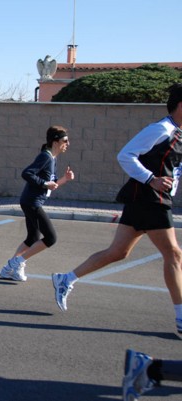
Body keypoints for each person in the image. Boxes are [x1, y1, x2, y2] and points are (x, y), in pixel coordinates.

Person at [52, 84, 182, 336]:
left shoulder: (178, 132)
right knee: (174, 255)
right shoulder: (160, 129)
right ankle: (180, 318)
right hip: (149, 199)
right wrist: (151, 179)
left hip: (150, 199)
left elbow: (172, 167)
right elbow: (126, 155)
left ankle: (65, 279)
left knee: (118, 252)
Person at [0, 126, 75, 281]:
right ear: (55, 141)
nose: (68, 143)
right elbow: (26, 173)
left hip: (32, 201)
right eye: (65, 140)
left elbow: (50, 184)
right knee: (51, 238)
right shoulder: (45, 157)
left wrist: (64, 180)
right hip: (31, 202)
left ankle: (8, 269)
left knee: (33, 237)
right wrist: (43, 184)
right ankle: (17, 262)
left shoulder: (52, 158)